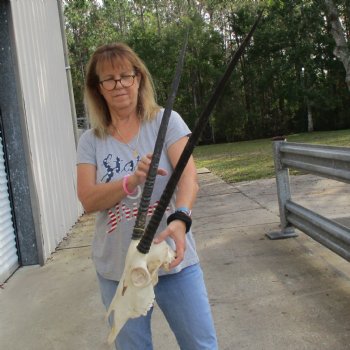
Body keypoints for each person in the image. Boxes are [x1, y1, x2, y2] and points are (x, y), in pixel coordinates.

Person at [76, 42, 218, 350]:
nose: (119, 85)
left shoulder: (165, 121)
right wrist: (132, 180)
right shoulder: (91, 141)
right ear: (98, 88)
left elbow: (188, 179)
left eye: (126, 75)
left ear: (138, 78)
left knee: (201, 345)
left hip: (171, 259)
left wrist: (181, 218)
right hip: (119, 270)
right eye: (109, 79)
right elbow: (87, 199)